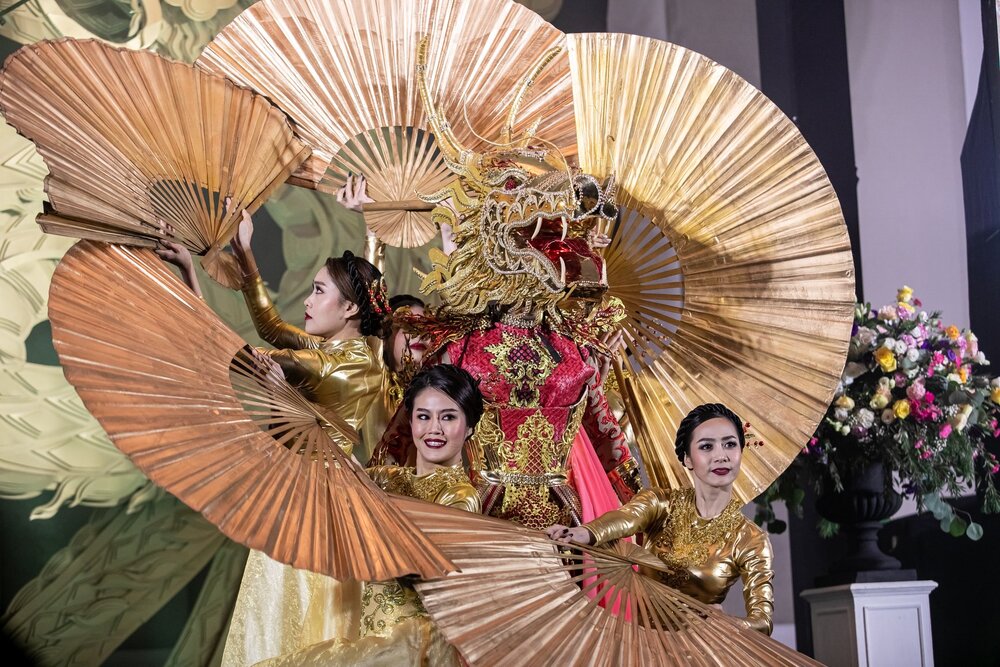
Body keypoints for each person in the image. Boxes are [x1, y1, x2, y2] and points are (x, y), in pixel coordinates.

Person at [254, 364, 483, 667]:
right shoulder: (385, 479)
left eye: (448, 417)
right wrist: (281, 399)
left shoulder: (461, 498)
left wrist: (367, 509)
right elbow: (314, 482)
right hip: (370, 641)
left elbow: (421, 569)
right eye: (423, 417)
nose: (434, 429)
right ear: (410, 421)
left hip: (418, 647)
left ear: (469, 427)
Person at [546, 403, 775, 635]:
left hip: (699, 647)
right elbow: (626, 518)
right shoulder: (661, 504)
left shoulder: (751, 539)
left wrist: (729, 623)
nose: (720, 456)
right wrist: (584, 533)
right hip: (640, 642)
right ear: (687, 459)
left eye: (730, 444)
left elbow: (763, 620)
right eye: (706, 446)